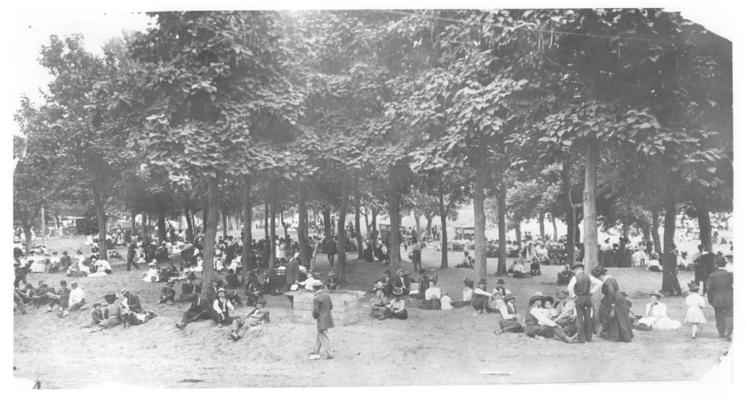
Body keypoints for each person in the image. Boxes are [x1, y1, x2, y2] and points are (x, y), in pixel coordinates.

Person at [592, 267, 634, 341]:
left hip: (614, 300)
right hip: (618, 298)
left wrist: (612, 304)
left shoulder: (608, 281)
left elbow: (611, 293)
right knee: (619, 317)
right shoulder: (610, 279)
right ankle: (622, 335)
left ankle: (616, 336)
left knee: (615, 316)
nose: (599, 279)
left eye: (598, 277)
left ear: (601, 275)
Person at [567, 263, 602, 343]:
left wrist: (573, 296)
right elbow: (599, 283)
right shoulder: (588, 277)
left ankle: (581, 339)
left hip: (579, 298)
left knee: (579, 318)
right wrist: (592, 292)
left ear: (576, 269)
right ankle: (589, 338)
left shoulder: (575, 278)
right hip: (587, 298)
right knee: (588, 318)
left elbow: (570, 288)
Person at [707, 260, 733, 341]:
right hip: (729, 298)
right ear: (725, 265)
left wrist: (710, 300)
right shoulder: (730, 275)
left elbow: (709, 289)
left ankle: (721, 332)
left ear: (716, 264)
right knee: (729, 315)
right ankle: (729, 332)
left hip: (717, 298)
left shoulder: (712, 275)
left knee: (719, 316)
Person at [310, 282, 334, 360]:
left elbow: (315, 311)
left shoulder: (316, 298)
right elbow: (331, 306)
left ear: (314, 288)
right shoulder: (327, 295)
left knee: (324, 335)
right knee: (319, 334)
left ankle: (329, 353)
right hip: (327, 316)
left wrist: (315, 316)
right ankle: (316, 351)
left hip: (321, 318)